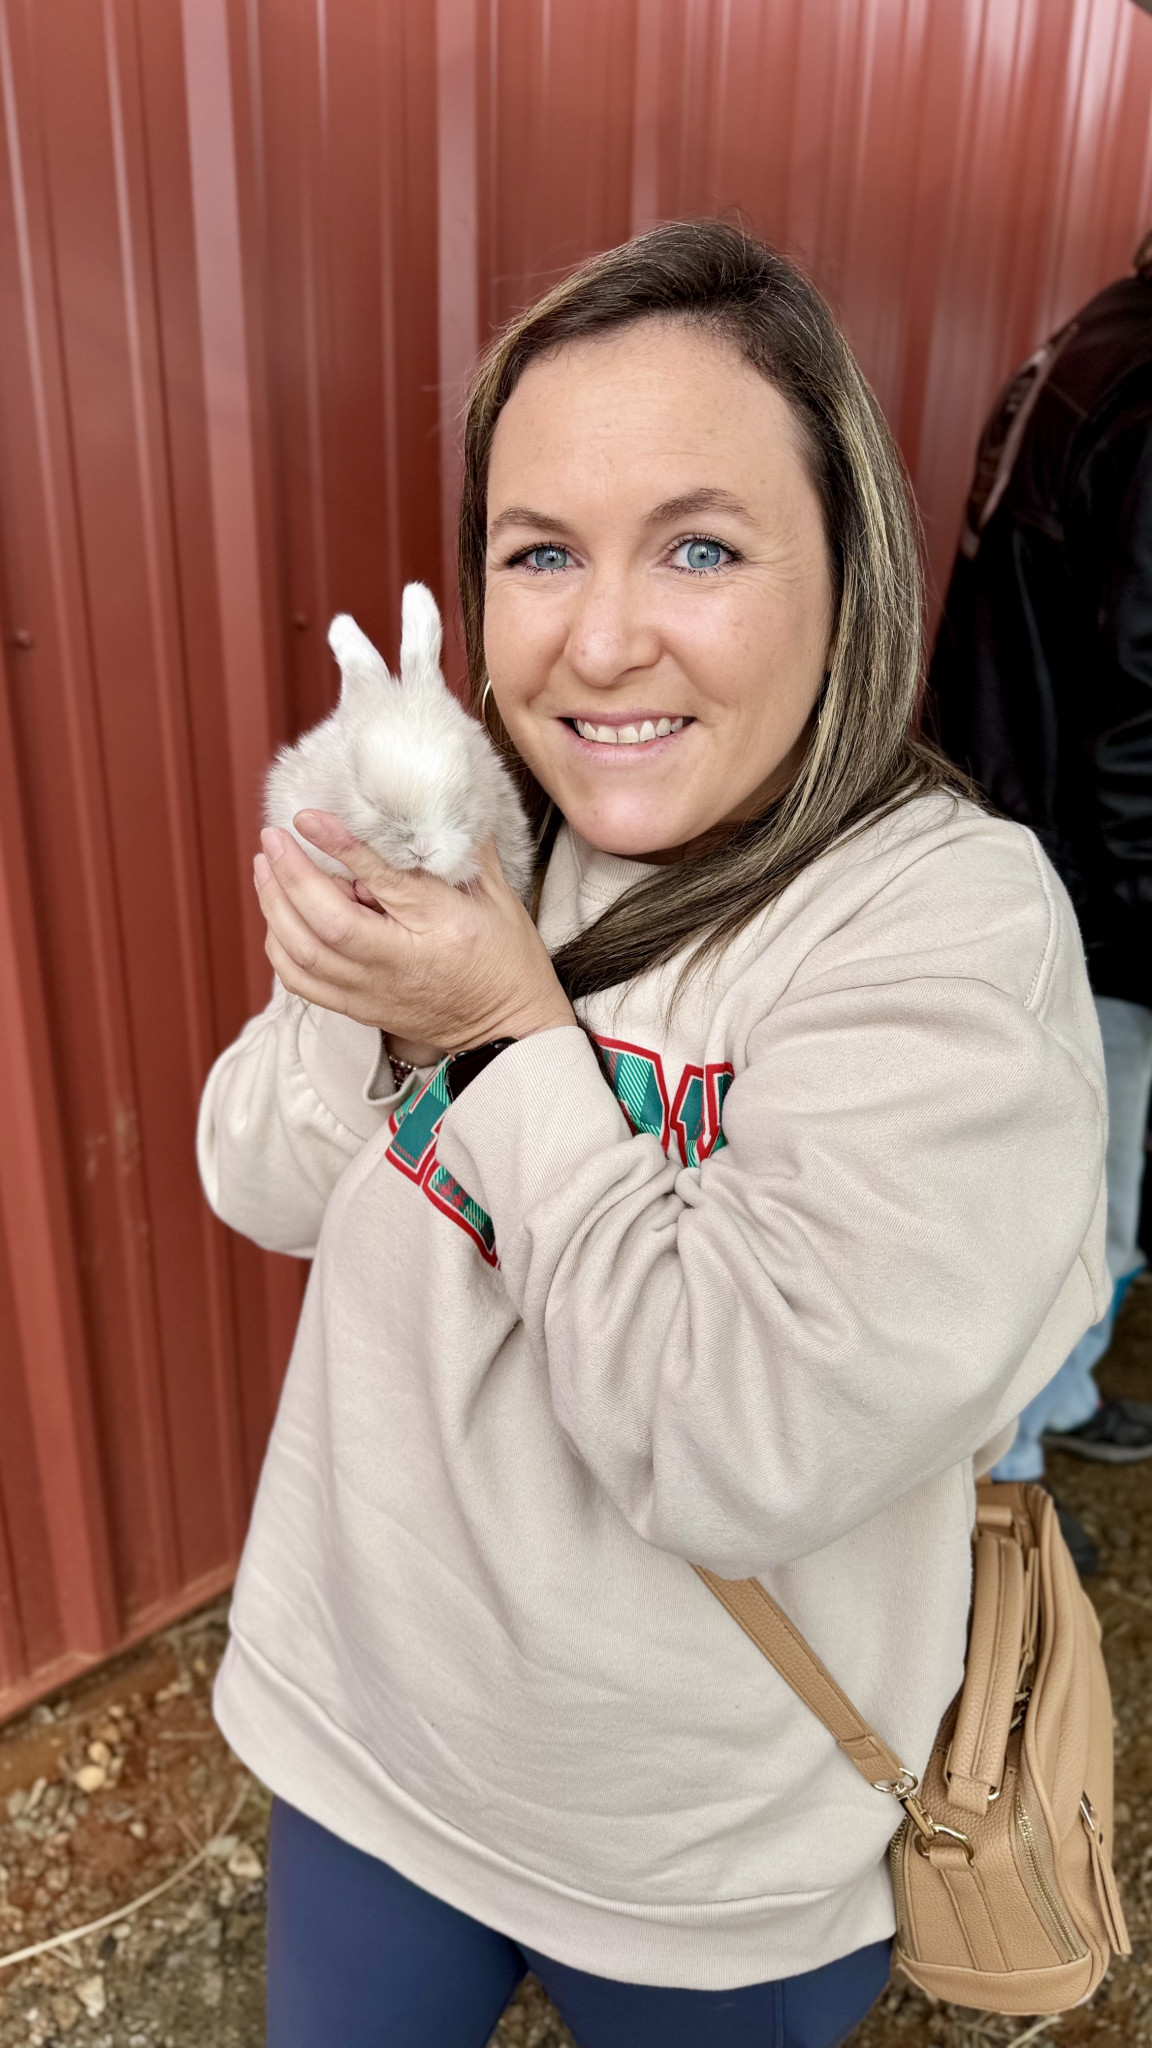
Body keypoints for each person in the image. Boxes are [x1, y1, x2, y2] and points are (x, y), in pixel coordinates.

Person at [197, 223, 1107, 2048]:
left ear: (848, 568)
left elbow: (736, 1443)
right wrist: (365, 994)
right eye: (540, 552)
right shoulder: (484, 836)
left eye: (699, 546)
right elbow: (261, 1183)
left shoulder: (945, 932)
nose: (601, 642)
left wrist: (500, 1031)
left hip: (705, 1869)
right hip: (369, 1753)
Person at [928, 233, 1152, 1573]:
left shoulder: (1099, 337)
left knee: (1068, 1194)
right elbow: (1139, 705)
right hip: (1089, 885)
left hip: (1033, 833)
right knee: (1067, 1207)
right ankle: (1003, 1504)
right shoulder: (1145, 384)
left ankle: (1056, 1414)